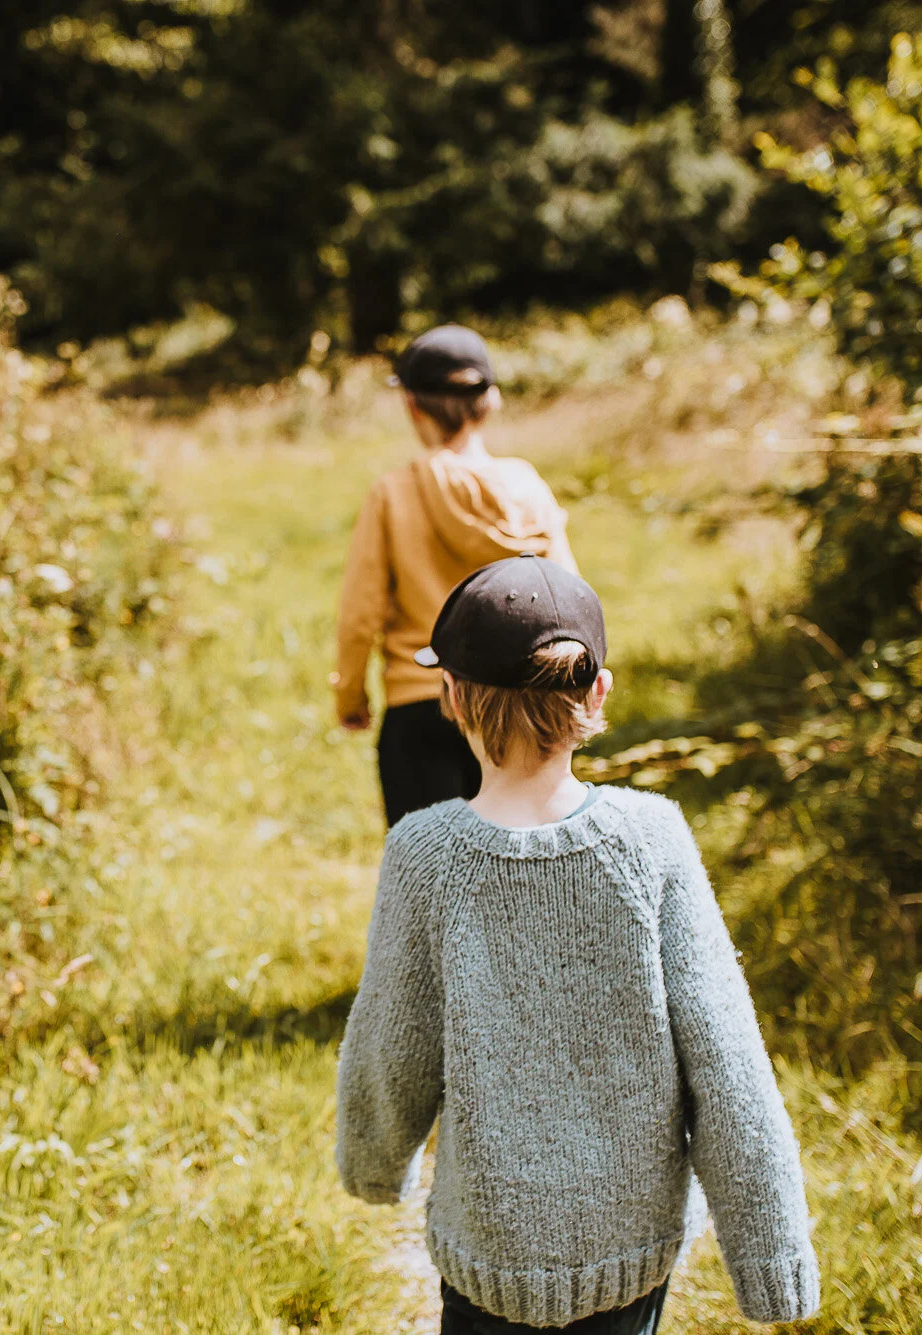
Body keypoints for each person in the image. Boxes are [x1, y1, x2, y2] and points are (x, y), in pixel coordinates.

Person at [334, 555, 820, 1335]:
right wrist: (771, 1256)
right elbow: (727, 1057)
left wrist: (373, 1159)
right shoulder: (651, 839)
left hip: (488, 1242)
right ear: (598, 692)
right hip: (630, 1244)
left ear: (450, 696)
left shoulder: (423, 853)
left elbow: (395, 1040)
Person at [334, 324, 576, 828]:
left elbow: (361, 612)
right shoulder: (529, 489)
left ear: (413, 407)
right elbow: (568, 607)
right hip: (519, 711)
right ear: (489, 403)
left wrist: (351, 695)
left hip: (420, 707)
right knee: (519, 883)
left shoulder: (394, 493)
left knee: (428, 889)